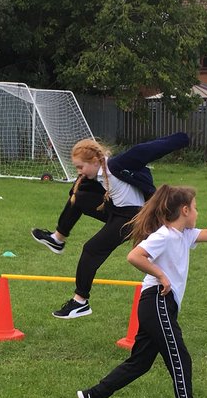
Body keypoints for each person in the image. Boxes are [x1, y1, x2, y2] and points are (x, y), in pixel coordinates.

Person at [75, 185, 207, 398]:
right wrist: (161, 275)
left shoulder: (184, 234)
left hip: (158, 305)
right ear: (184, 210)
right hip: (158, 301)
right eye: (196, 208)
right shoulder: (165, 235)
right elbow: (135, 256)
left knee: (140, 362)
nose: (197, 213)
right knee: (180, 358)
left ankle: (94, 396)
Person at [31, 132, 190, 318]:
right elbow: (80, 190)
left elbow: (149, 148)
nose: (79, 171)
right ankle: (58, 239)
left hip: (132, 218)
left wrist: (182, 139)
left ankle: (80, 301)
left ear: (94, 161)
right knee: (79, 197)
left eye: (80, 167)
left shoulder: (117, 165)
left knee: (91, 249)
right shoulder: (96, 175)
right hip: (116, 210)